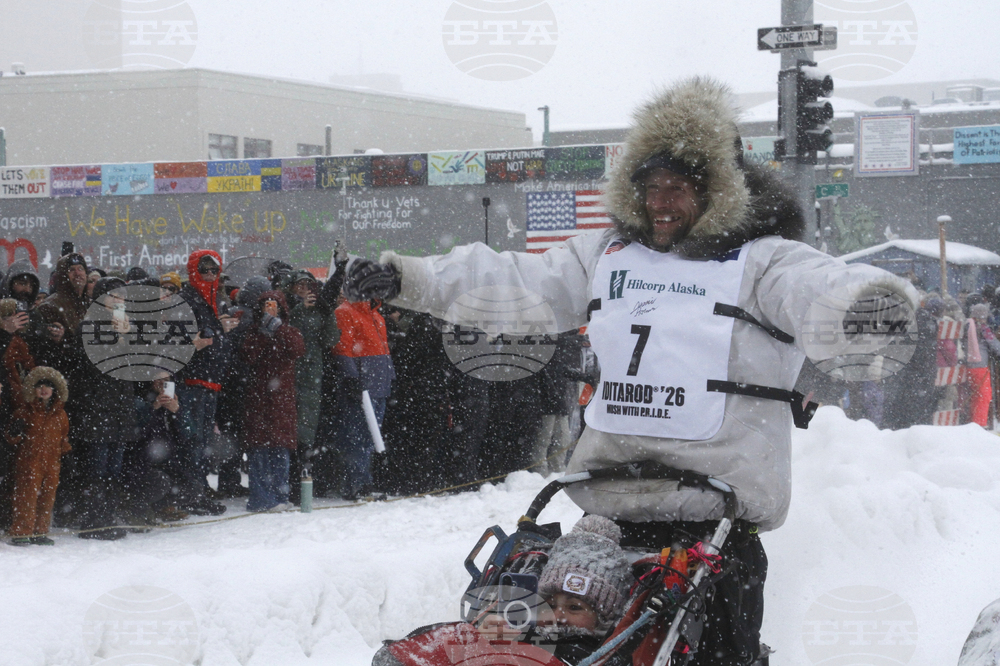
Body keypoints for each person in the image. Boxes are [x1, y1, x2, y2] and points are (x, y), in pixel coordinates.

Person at [347, 77, 918, 665]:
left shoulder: (763, 263)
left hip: (714, 521)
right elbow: (517, 282)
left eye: (679, 188)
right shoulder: (607, 255)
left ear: (718, 189)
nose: (661, 202)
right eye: (649, 187)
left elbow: (820, 289)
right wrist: (409, 280)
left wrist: (867, 308)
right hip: (609, 511)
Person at [174, 250, 237, 515]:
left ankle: (198, 491)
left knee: (202, 442)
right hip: (192, 381)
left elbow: (212, 337)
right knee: (192, 442)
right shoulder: (185, 300)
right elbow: (174, 342)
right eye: (204, 270)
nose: (210, 274)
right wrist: (195, 344)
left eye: (214, 270)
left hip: (211, 381)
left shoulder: (215, 300)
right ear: (193, 271)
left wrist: (222, 330)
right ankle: (191, 495)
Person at [239, 291, 305, 511]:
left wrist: (277, 328)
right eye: (266, 305)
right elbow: (249, 356)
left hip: (282, 400)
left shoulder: (289, 331)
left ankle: (280, 497)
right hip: (259, 399)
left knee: (281, 449)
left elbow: (297, 349)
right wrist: (263, 332)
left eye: (274, 305)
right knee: (260, 451)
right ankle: (260, 499)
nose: (270, 309)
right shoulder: (253, 332)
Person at [333, 277, 395, 501]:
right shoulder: (345, 312)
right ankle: (357, 484)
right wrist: (351, 378)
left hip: (377, 384)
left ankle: (363, 482)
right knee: (358, 437)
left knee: (368, 437)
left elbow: (383, 349)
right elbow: (343, 349)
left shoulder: (375, 315)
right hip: (363, 385)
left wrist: (389, 376)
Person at [282, 269, 340, 502]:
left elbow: (330, 340)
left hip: (312, 375)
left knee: (308, 428)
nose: (305, 288)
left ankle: (305, 483)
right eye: (300, 284)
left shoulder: (319, 309)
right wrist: (300, 309)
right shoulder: (286, 306)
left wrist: (328, 314)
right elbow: (286, 332)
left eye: (309, 284)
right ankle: (291, 483)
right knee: (289, 428)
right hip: (290, 374)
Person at [6, 366, 70, 546]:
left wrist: (66, 451)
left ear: (54, 390)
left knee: (47, 496)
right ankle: (21, 531)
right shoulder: (25, 411)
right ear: (32, 389)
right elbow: (11, 438)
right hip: (29, 461)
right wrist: (14, 431)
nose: (43, 389)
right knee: (26, 496)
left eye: (48, 386)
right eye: (39, 385)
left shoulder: (61, 414)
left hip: (52, 463)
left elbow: (63, 437)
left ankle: (40, 531)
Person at [965, 303, 1000, 427]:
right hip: (980, 366)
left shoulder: (967, 324)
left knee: (974, 395)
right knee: (984, 395)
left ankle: (972, 423)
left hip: (967, 366)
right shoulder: (983, 327)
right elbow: (995, 345)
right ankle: (979, 424)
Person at [41, 252, 90, 333]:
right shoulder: (50, 306)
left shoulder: (89, 304)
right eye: (71, 270)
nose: (77, 273)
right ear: (63, 276)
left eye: (80, 269)